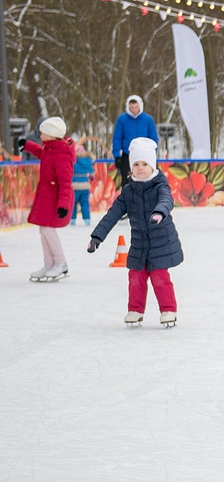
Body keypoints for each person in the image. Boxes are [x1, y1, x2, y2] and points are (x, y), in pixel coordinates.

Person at [87, 138, 183, 326]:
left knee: (159, 277)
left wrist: (159, 212)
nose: (140, 168)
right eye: (136, 164)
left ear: (152, 165)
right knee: (135, 276)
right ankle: (135, 310)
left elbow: (166, 200)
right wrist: (97, 237)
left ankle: (168, 310)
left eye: (144, 164)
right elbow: (112, 215)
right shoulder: (129, 191)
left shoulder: (160, 186)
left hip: (160, 241)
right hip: (139, 244)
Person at [19, 117, 75, 282]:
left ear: (52, 134)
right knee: (43, 229)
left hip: (55, 199)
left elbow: (66, 182)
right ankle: (49, 264)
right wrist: (27, 146)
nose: (40, 134)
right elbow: (41, 153)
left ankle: (60, 262)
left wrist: (63, 204)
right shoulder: (51, 149)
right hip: (46, 196)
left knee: (48, 229)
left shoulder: (61, 154)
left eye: (43, 132)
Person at [112, 95, 158, 189]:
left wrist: (153, 153)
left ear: (140, 106)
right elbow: (117, 138)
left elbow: (153, 138)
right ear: (128, 107)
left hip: (145, 154)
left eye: (136, 107)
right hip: (127, 154)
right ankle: (127, 200)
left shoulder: (148, 120)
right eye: (131, 107)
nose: (134, 109)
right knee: (126, 181)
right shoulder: (122, 120)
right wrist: (117, 155)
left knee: (147, 178)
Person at [71, 144, 94, 226]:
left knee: (73, 203)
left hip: (74, 186)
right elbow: (92, 173)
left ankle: (72, 219)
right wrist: (91, 177)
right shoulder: (88, 161)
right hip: (85, 186)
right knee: (85, 203)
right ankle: (87, 219)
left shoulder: (73, 161)